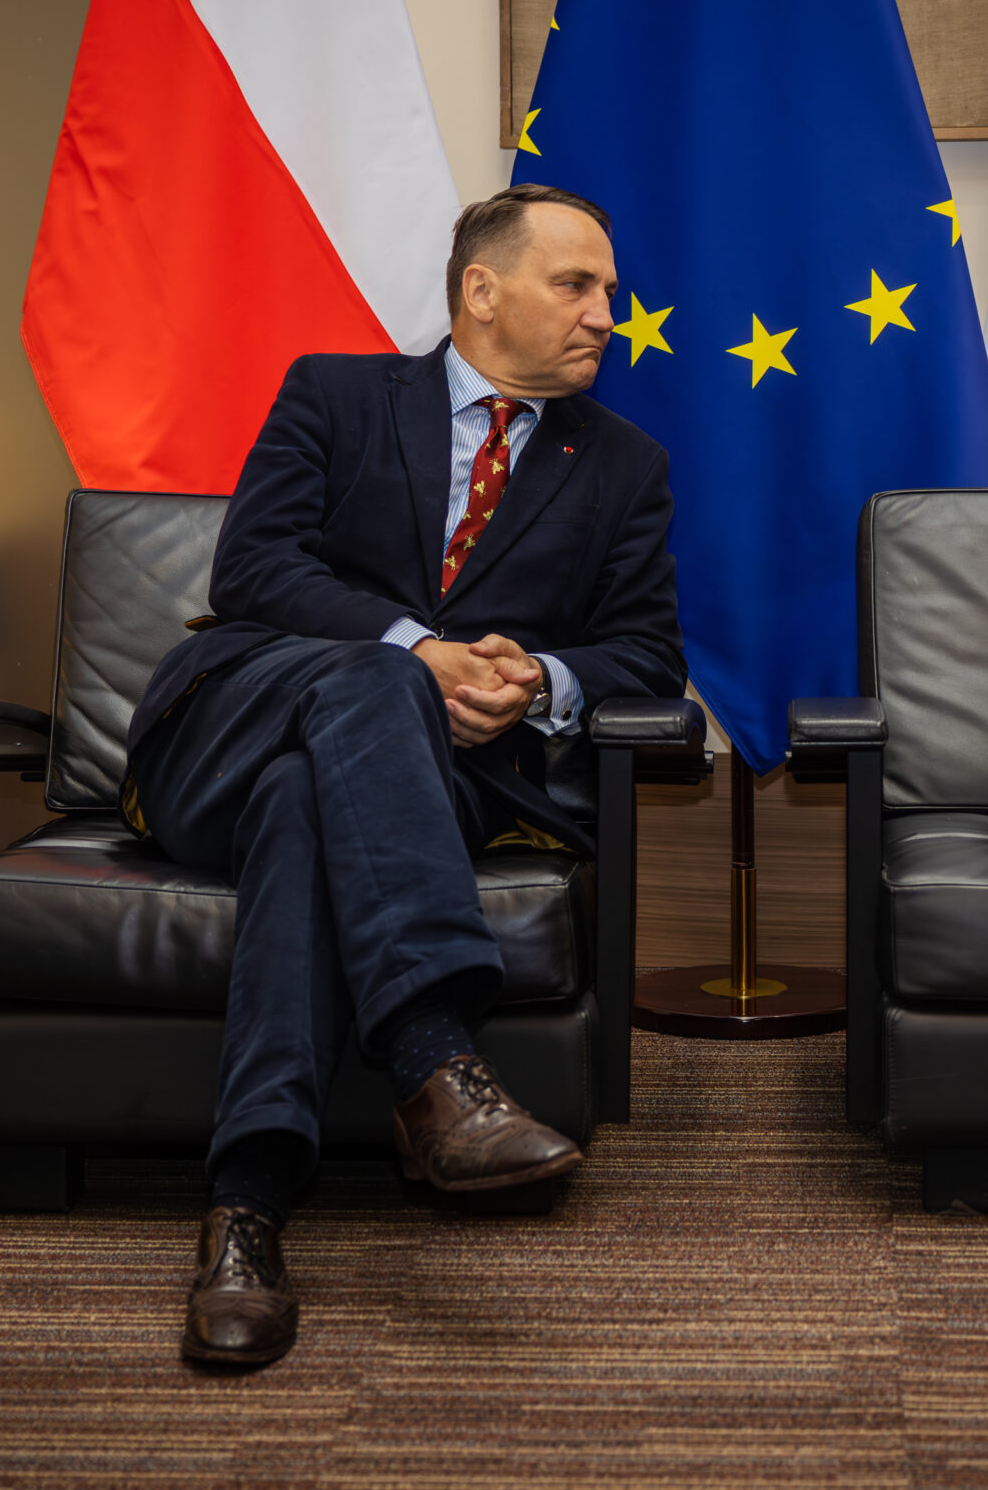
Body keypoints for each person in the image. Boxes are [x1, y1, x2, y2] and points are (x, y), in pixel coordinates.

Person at [123, 184, 685, 1366]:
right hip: (225, 736)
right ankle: (434, 1059)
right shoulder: (334, 393)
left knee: (303, 805)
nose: (605, 314)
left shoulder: (622, 464)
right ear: (481, 290)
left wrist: (534, 676)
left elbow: (646, 653)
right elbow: (255, 568)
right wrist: (415, 655)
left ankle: (246, 1213)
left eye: (608, 292)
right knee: (373, 682)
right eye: (576, 285)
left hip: (421, 783)